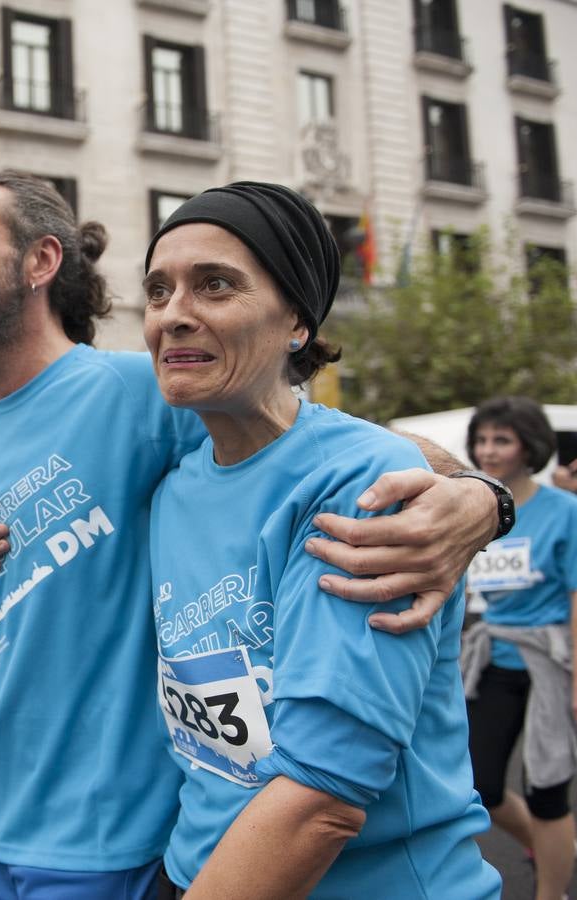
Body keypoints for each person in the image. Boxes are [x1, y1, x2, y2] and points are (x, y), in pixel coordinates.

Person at [0, 170, 503, 897]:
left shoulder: (144, 392)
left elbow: (315, 438)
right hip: (9, 821)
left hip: (111, 836)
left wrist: (483, 498)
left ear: (41, 261)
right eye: (158, 293)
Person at [142, 183, 500, 898]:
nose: (174, 315)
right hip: (195, 870)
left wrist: (485, 494)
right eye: (157, 291)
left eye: (214, 285)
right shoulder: (174, 484)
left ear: (298, 323)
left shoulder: (363, 481)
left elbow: (322, 797)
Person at [462, 396, 577, 900]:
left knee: (547, 792)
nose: (487, 450)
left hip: (554, 661)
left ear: (530, 447)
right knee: (479, 785)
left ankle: (553, 891)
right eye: (481, 439)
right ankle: (551, 846)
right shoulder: (478, 512)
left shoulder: (566, 511)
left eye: (501, 440)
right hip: (495, 659)